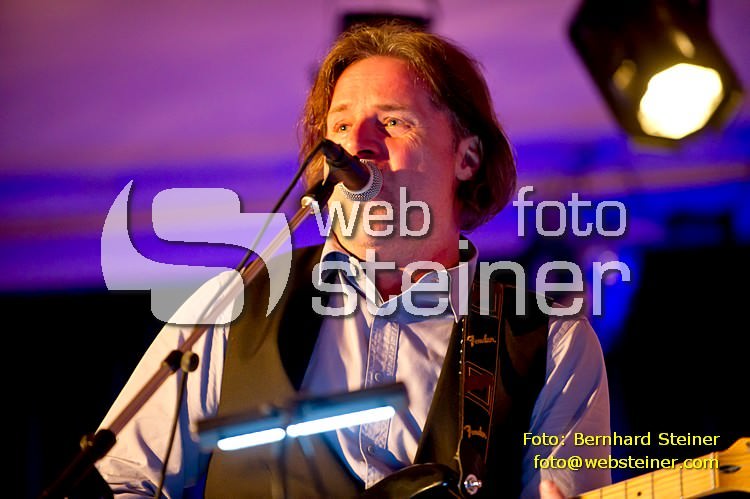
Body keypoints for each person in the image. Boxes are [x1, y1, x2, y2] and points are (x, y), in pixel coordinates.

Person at [95, 22, 610, 498]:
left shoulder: (551, 342)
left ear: (467, 157)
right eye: (340, 128)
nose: (358, 145)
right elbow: (122, 481)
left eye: (392, 122)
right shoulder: (235, 302)